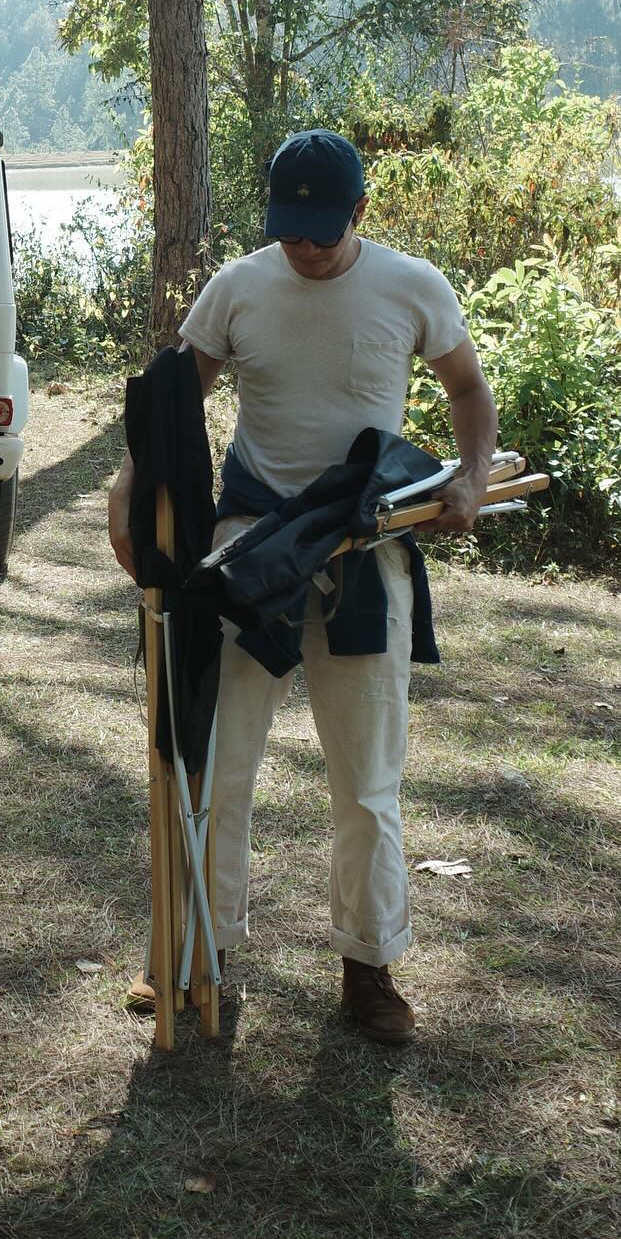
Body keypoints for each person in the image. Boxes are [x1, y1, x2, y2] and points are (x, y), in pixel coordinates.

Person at [109, 130, 497, 1045]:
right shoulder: (239, 289)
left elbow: (469, 393)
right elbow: (173, 403)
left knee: (367, 779)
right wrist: (130, 488)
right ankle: (200, 946)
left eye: (322, 231)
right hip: (252, 546)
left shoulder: (413, 287)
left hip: (367, 546)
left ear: (359, 213)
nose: (306, 248)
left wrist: (471, 476)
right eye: (290, 230)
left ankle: (369, 965)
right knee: (217, 761)